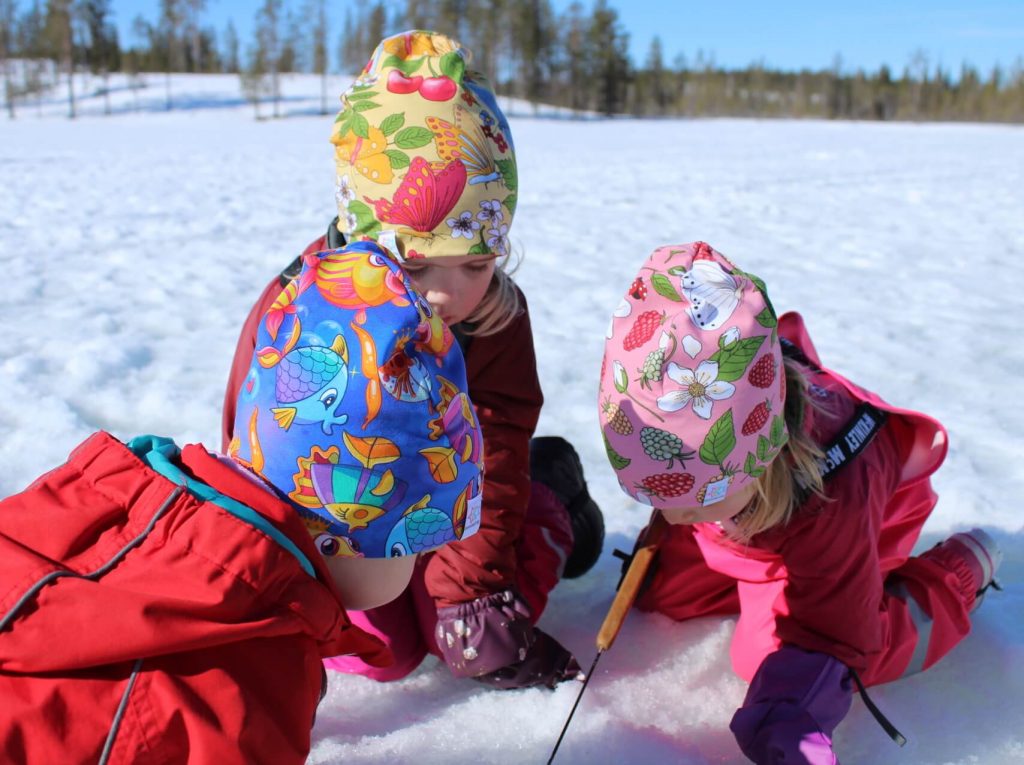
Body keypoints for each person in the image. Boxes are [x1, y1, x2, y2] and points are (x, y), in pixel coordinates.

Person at [0, 241, 484, 763]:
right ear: (346, 531)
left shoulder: (108, 499)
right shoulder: (256, 678)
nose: (412, 568)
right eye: (411, 546)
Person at [221, 30, 603, 690]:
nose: (447, 294)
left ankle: (557, 495)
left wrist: (469, 596)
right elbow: (256, 445)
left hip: (461, 502)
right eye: (418, 263)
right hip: (353, 508)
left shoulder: (493, 318)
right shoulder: (299, 310)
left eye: (477, 264)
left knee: (467, 635)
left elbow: (494, 448)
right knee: (382, 652)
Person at [597, 241, 1003, 764]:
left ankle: (952, 580)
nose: (672, 515)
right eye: (655, 493)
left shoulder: (830, 497)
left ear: (757, 459)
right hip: (750, 522)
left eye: (696, 499)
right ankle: (739, 553)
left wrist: (791, 718)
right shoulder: (712, 458)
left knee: (772, 658)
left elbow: (831, 636)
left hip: (855, 521)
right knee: (666, 597)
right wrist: (694, 503)